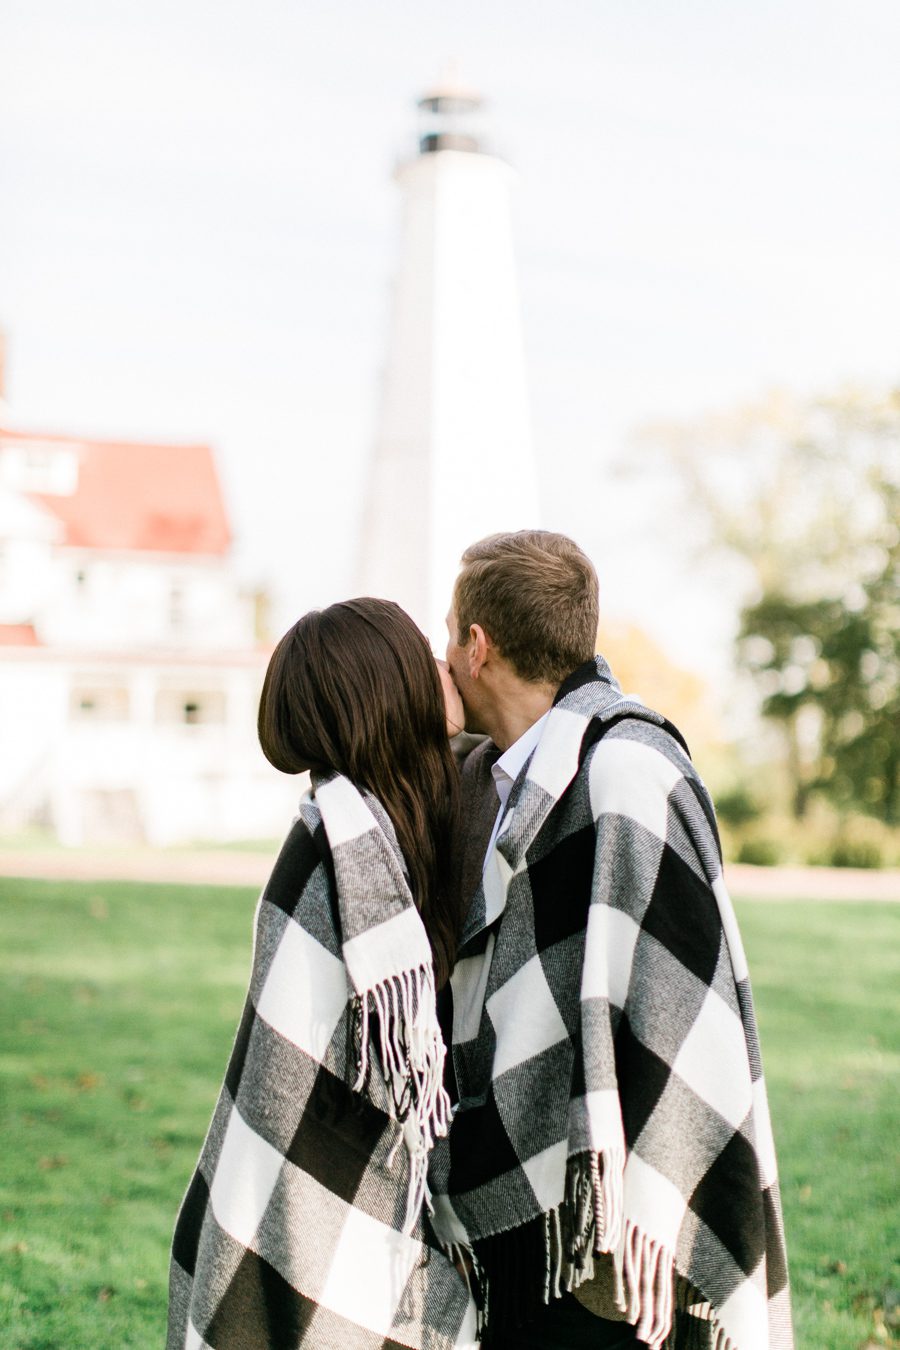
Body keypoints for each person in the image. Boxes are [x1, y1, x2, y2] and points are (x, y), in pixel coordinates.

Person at [427, 531, 793, 1350]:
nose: (441, 656)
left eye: (447, 634)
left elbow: (677, 1001)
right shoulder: (477, 774)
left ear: (477, 646)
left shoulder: (629, 772)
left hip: (608, 1203)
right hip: (507, 1191)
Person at [167, 598, 477, 1350]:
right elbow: (292, 1082)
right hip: (312, 1215)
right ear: (388, 692)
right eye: (422, 656)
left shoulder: (429, 816)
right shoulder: (327, 850)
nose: (445, 664)